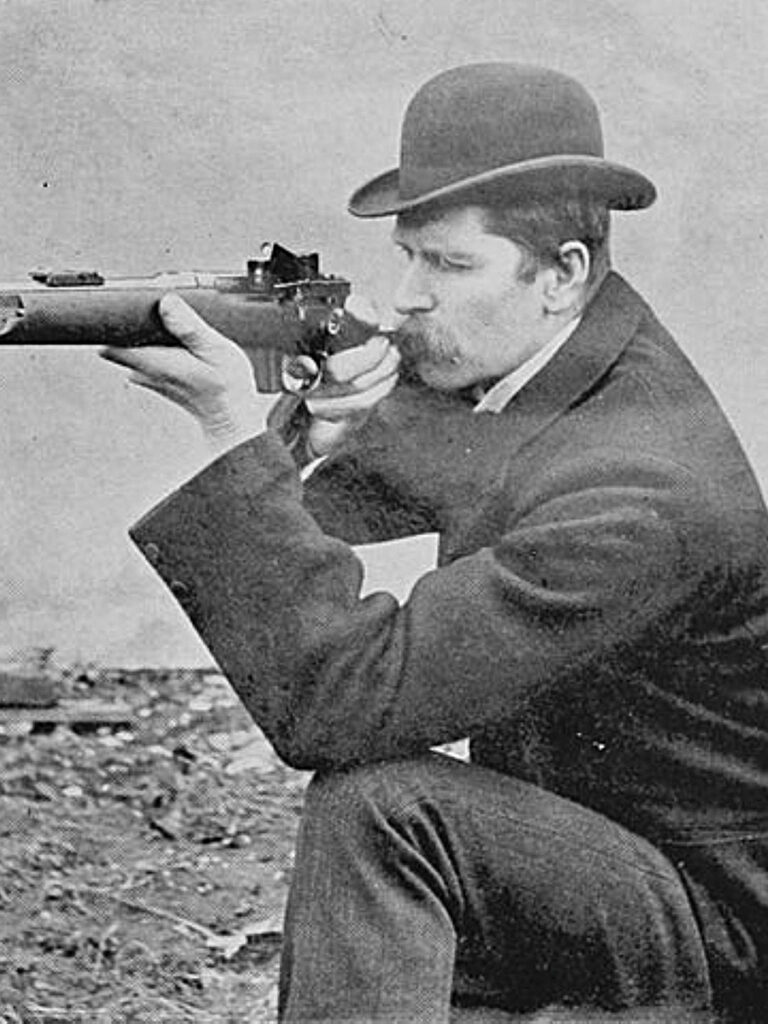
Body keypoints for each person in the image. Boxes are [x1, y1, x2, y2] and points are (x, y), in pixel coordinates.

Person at [101, 63, 768, 1023]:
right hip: (601, 863)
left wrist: (226, 434)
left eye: (449, 267)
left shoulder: (640, 487)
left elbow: (335, 704)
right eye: (407, 257)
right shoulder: (557, 374)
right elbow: (312, 529)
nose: (408, 298)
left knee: (380, 808)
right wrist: (307, 435)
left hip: (711, 940)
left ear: (563, 273)